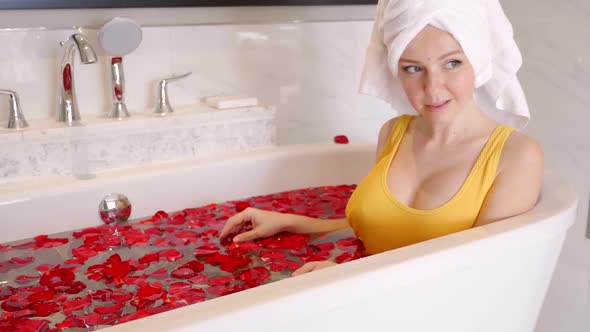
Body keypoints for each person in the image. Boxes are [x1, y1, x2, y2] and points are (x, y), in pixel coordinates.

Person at [219, 0, 543, 276]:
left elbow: (481, 280)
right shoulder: (394, 133)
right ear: (394, 69)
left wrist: (352, 280)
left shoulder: (515, 157)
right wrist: (295, 223)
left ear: (480, 59)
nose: (432, 89)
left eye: (452, 63)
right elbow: (383, 232)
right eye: (413, 68)